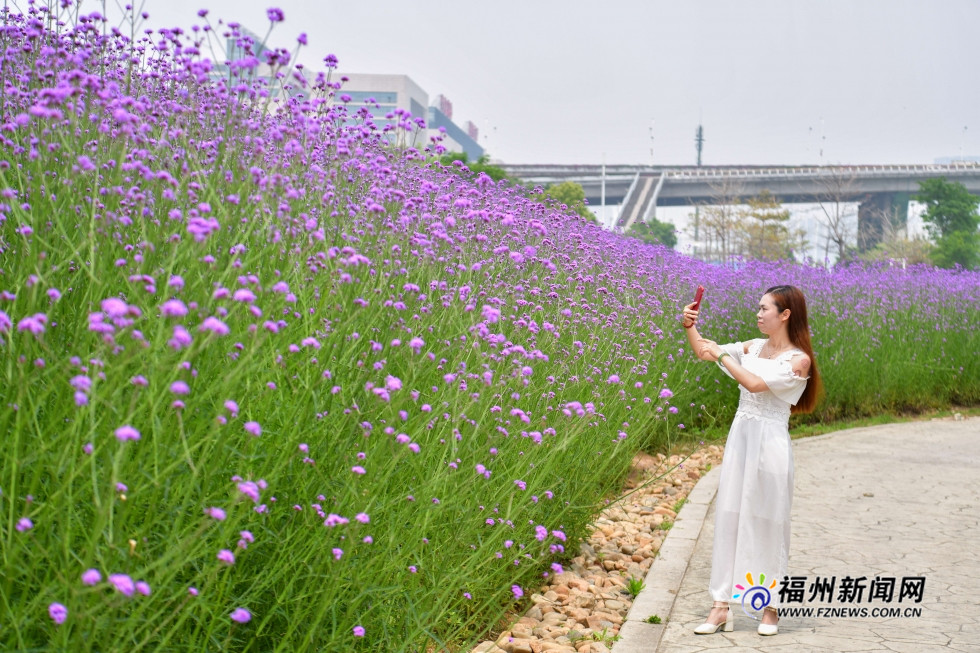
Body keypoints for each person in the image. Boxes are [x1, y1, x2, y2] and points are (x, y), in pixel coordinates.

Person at [682, 285, 822, 636]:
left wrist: (721, 355)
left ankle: (769, 607)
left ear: (785, 314)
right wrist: (690, 327)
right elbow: (704, 351)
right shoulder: (753, 346)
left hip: (771, 443)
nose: (758, 315)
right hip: (741, 438)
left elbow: (756, 384)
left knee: (768, 521)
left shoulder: (798, 360)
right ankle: (720, 607)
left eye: (765, 309)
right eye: (758, 309)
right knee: (729, 515)